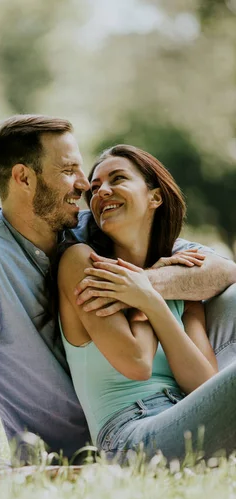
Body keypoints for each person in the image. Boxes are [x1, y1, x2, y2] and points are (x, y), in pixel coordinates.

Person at [0, 116, 236, 470]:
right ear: (24, 178)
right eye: (69, 170)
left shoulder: (91, 224)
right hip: (84, 443)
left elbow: (223, 270)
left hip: (175, 413)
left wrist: (143, 286)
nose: (86, 185)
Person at [58, 144, 236, 461]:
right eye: (95, 187)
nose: (102, 192)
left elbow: (203, 383)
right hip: (128, 437)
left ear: (154, 197)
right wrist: (147, 300)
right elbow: (137, 363)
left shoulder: (178, 281)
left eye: (118, 178)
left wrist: (150, 295)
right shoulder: (83, 262)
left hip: (184, 415)